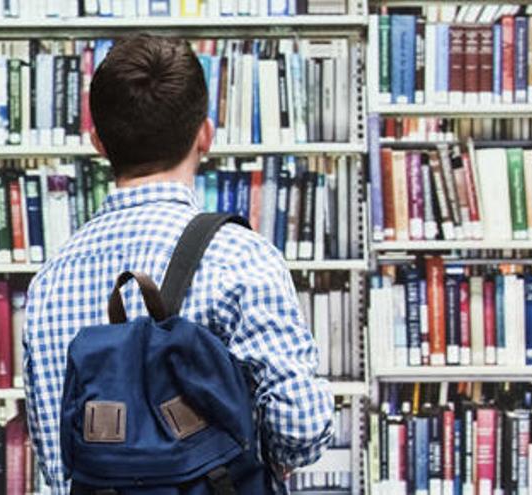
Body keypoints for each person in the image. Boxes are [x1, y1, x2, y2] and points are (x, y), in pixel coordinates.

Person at [22, 34, 334, 494]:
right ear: (205, 134)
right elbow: (301, 429)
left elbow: (57, 459)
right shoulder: (242, 258)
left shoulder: (50, 282)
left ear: (98, 143)